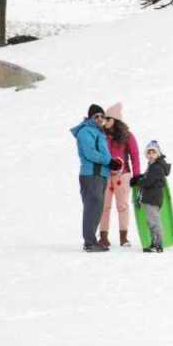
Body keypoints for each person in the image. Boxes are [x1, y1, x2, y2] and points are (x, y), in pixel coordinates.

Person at [71, 104, 120, 252]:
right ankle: (89, 242)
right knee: (92, 207)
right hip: (91, 174)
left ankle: (92, 240)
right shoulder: (86, 131)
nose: (99, 119)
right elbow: (90, 153)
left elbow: (103, 154)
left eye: (102, 116)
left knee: (97, 208)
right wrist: (108, 161)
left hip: (101, 174)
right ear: (90, 118)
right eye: (96, 116)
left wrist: (113, 163)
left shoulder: (100, 133)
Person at [97, 103, 141, 249]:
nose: (104, 121)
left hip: (122, 176)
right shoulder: (101, 134)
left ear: (115, 119)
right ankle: (103, 237)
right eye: (104, 118)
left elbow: (135, 156)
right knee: (104, 206)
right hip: (105, 176)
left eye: (107, 118)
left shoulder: (127, 136)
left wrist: (136, 176)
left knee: (122, 206)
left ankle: (124, 237)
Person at [130, 141, 171, 253]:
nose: (151, 155)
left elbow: (148, 181)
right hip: (151, 197)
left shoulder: (156, 167)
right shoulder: (153, 166)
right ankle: (154, 242)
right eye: (149, 152)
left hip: (152, 198)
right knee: (151, 221)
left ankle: (159, 244)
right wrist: (140, 178)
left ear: (158, 153)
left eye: (153, 152)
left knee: (154, 221)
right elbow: (148, 178)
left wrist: (138, 181)